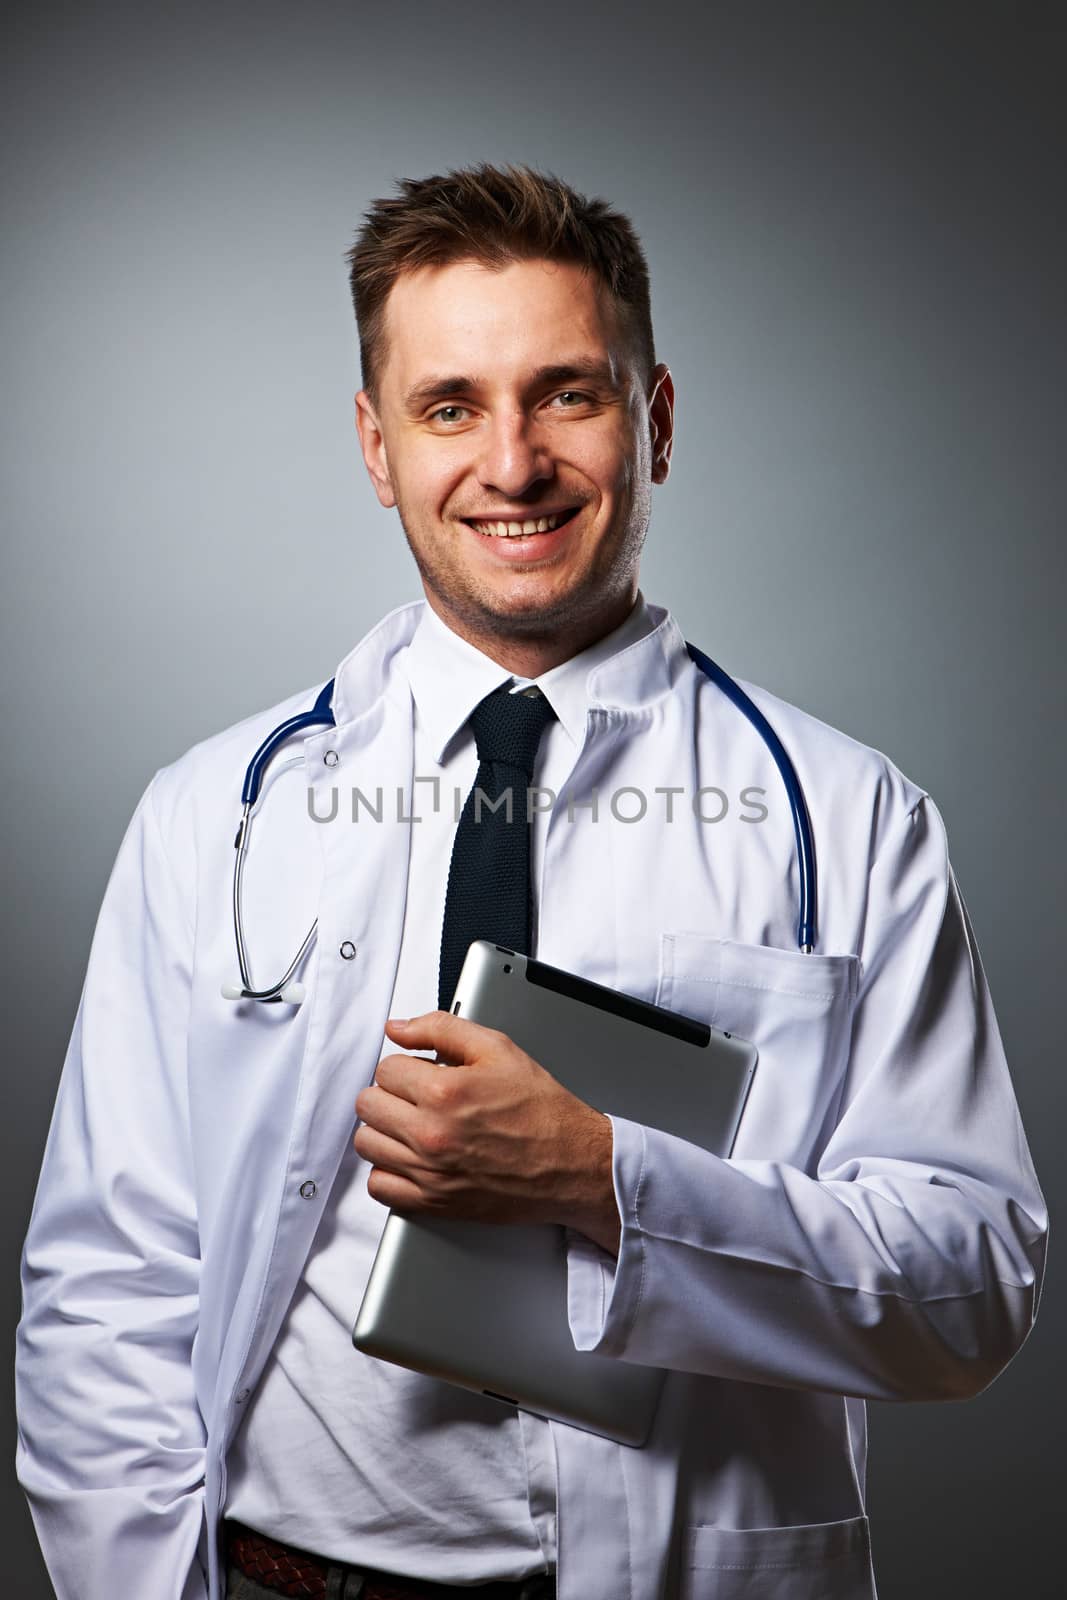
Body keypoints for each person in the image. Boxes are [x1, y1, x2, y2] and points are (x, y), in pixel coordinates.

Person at [15, 163, 1047, 1600]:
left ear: (658, 419)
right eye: (451, 407)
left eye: (569, 393)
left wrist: (606, 1181)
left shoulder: (853, 817)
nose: (512, 464)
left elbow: (971, 1286)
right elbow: (108, 1290)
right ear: (377, 447)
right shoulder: (213, 816)